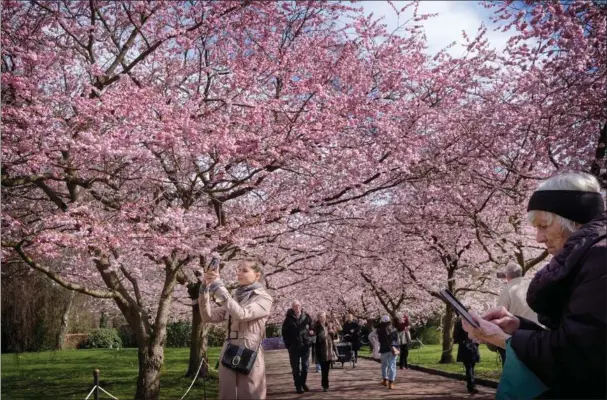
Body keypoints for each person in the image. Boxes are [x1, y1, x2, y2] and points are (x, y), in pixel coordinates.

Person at [462, 172, 606, 399]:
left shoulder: (601, 259)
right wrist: (519, 327)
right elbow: (579, 337)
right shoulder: (589, 257)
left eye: (544, 226)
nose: (538, 238)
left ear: (574, 221)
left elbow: (580, 357)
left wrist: (504, 339)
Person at [199, 259, 273, 400]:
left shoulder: (264, 298)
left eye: (244, 270)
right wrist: (205, 290)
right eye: (238, 270)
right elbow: (209, 317)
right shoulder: (233, 297)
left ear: (257, 275)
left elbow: (242, 314)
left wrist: (219, 288)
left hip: (250, 350)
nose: (239, 273)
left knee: (250, 393)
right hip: (229, 348)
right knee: (227, 394)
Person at [495, 261, 540, 365]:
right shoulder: (533, 285)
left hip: (516, 337)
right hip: (538, 333)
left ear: (507, 275)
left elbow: (500, 314)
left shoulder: (508, 290)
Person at [281, 301, 315, 394]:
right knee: (295, 368)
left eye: (299, 305)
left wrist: (311, 339)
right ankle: (298, 386)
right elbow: (284, 333)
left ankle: (302, 382)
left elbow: (313, 329)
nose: (297, 307)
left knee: (305, 366)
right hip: (294, 347)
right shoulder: (288, 319)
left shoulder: (307, 316)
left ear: (301, 306)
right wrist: (288, 345)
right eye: (295, 305)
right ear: (292, 307)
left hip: (305, 346)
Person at [453, 317, 480, 394]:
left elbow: (455, 336)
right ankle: (471, 386)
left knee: (471, 367)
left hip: (472, 346)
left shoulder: (473, 322)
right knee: (469, 367)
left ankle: (471, 385)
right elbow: (456, 336)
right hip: (467, 346)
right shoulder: (460, 323)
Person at [313, 312, 337, 392]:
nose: (322, 318)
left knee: (327, 369)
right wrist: (324, 334)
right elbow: (316, 338)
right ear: (318, 318)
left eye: (323, 316)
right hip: (321, 350)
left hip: (329, 349)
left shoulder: (329, 325)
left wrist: (333, 332)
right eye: (320, 317)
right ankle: (325, 385)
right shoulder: (316, 327)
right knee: (323, 369)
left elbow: (335, 336)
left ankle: (325, 384)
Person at [377, 315, 399, 389]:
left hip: (383, 349)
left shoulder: (379, 330)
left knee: (384, 365)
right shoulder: (394, 329)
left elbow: (379, 340)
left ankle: (385, 380)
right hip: (392, 349)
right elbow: (396, 339)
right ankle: (391, 383)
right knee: (392, 365)